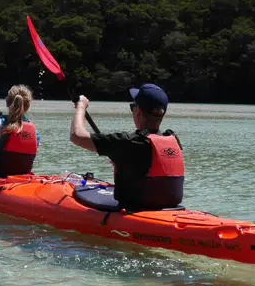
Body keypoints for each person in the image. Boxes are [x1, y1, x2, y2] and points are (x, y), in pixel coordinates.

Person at [69, 83, 185, 211]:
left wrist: (81, 106)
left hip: (138, 211)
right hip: (171, 209)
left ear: (138, 111)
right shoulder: (173, 140)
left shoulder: (128, 142)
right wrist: (124, 167)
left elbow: (77, 136)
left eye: (132, 106)